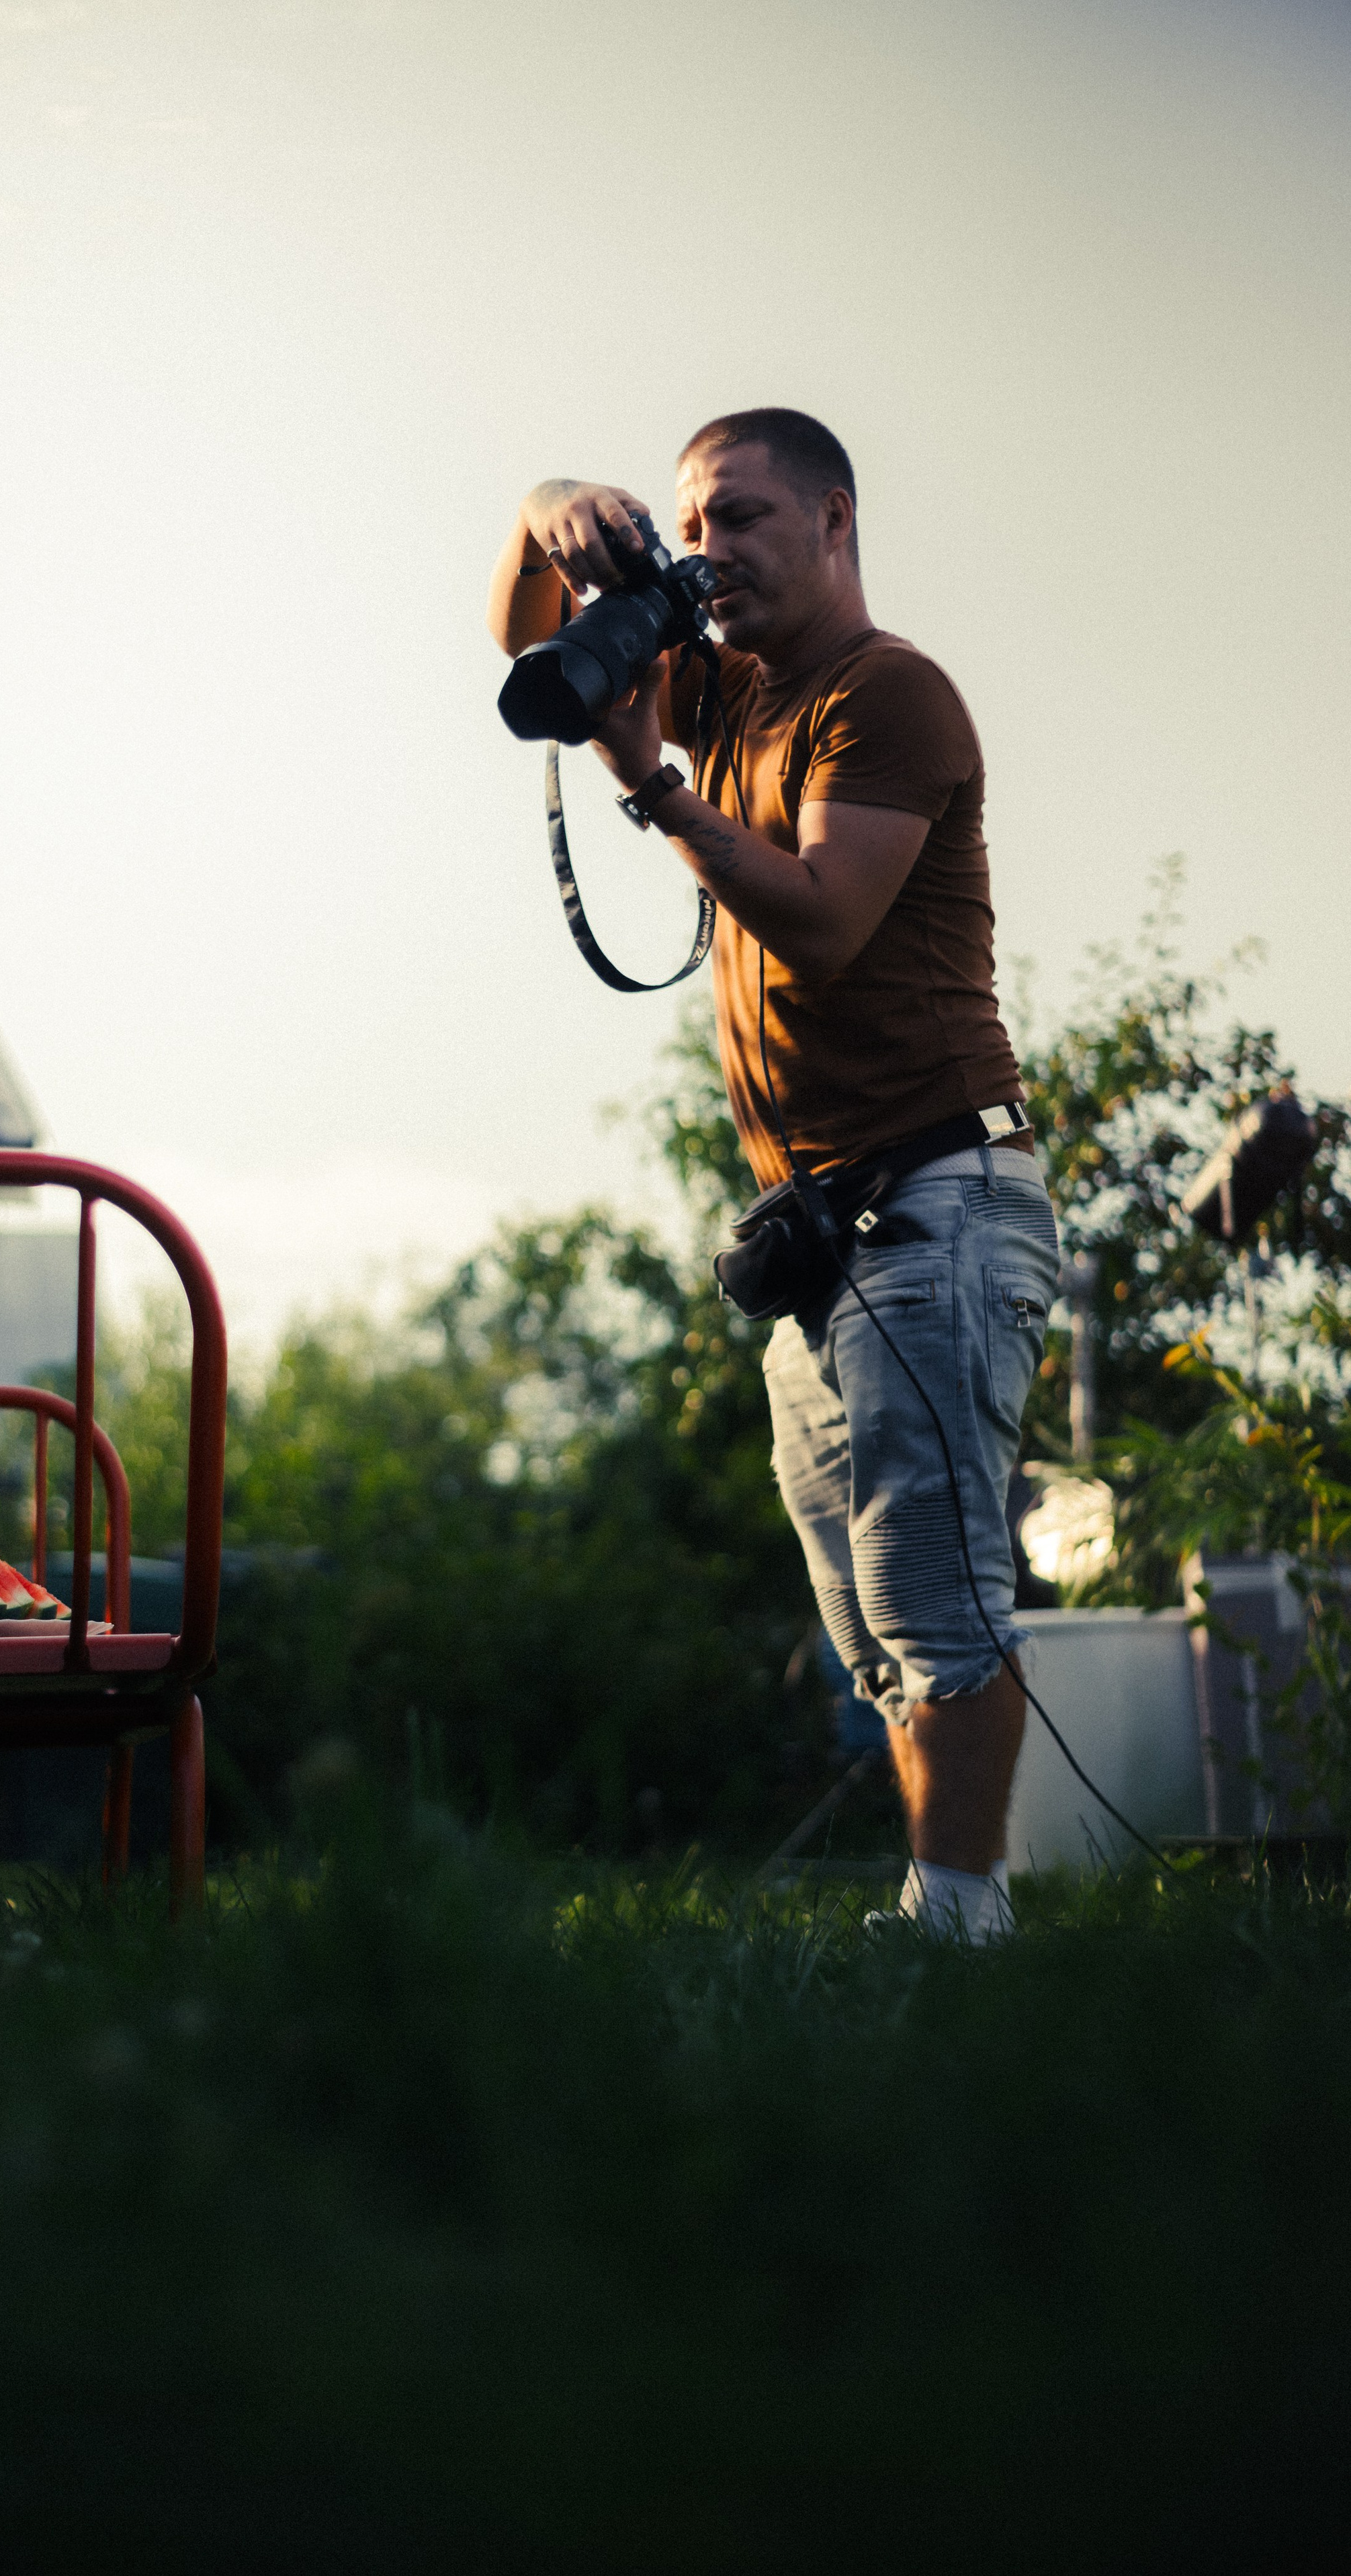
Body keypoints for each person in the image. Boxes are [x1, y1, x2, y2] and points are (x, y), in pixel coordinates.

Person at [487, 409, 1060, 1942]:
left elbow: (818, 919)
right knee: (865, 1620)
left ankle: (962, 1923)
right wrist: (554, 511)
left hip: (938, 1194)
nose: (708, 551)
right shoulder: (726, 687)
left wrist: (653, 791)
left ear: (832, 519)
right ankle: (937, 1911)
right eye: (689, 523)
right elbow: (522, 641)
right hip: (826, 1228)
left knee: (933, 1591)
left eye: (739, 518)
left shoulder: (887, 694)